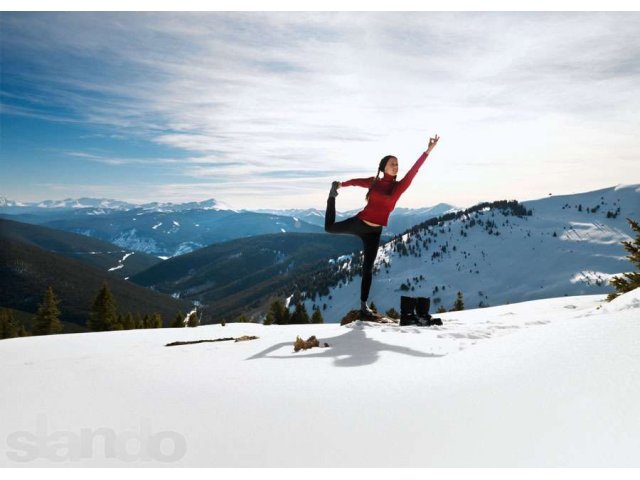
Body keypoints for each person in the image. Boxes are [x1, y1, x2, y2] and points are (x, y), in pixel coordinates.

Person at [324, 134, 440, 318]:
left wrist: (428, 151)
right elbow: (356, 182)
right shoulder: (374, 182)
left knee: (367, 268)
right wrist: (340, 185)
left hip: (374, 232)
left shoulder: (398, 187)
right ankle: (331, 197)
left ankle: (363, 305)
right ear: (383, 167)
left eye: (397, 164)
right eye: (392, 163)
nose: (396, 166)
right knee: (329, 228)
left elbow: (413, 171)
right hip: (359, 223)